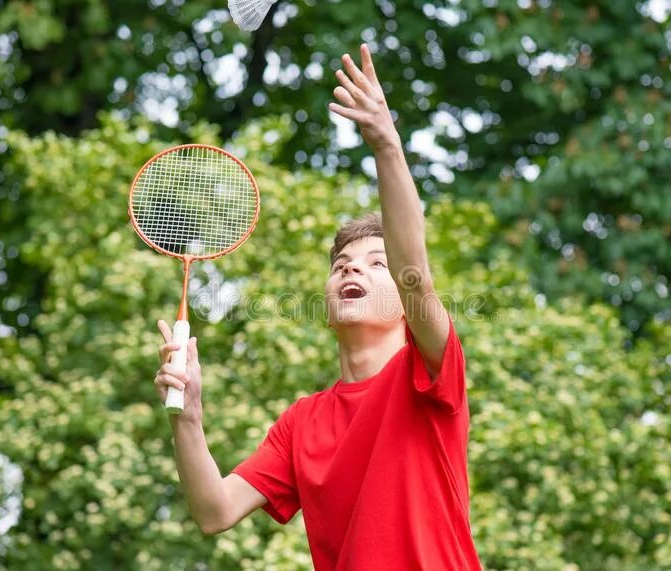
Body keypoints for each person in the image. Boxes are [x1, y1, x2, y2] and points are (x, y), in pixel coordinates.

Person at [154, 44, 482, 570]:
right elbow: (214, 511)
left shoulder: (430, 373)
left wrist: (386, 146)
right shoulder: (302, 423)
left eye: (377, 265)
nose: (352, 270)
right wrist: (188, 417)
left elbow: (415, 273)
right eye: (341, 265)